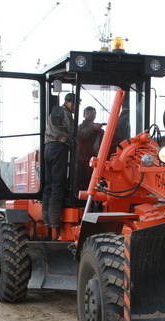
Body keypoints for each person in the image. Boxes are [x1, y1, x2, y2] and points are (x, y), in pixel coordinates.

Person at [42, 93, 76, 232]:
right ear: (68, 102)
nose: (76, 107)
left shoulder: (54, 113)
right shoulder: (65, 114)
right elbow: (72, 131)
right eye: (75, 104)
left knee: (48, 185)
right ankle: (55, 221)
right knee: (58, 184)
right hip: (59, 147)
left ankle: (46, 219)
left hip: (48, 147)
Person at [76, 106, 103, 191]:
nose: (92, 115)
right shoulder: (80, 127)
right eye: (89, 113)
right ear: (84, 115)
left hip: (94, 159)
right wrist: (93, 128)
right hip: (82, 159)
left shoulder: (98, 130)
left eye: (93, 113)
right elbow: (80, 135)